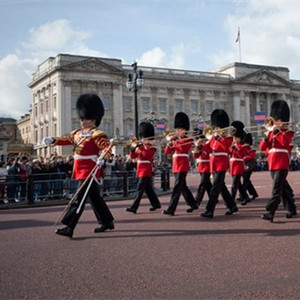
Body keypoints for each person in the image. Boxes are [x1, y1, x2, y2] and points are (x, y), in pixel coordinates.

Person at [44, 93, 114, 238]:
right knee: (95, 198)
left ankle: (69, 227)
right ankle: (107, 222)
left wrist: (103, 159)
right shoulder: (77, 133)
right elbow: (66, 139)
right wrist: (53, 140)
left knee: (79, 199)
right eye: (81, 118)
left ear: (93, 119)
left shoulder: (98, 134)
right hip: (79, 169)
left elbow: (107, 149)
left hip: (90, 170)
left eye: (85, 118)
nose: (82, 121)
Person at [259, 100, 297, 222]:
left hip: (282, 163)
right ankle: (291, 209)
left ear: (282, 120)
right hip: (272, 163)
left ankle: (270, 211)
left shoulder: (288, 132)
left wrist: (277, 132)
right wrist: (265, 137)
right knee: (283, 188)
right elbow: (262, 148)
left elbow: (284, 143)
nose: (275, 122)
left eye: (277, 120)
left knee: (276, 189)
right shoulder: (271, 133)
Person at [201, 109, 238, 219]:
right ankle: (232, 206)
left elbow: (225, 148)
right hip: (214, 163)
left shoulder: (228, 137)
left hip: (222, 163)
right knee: (221, 187)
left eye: (217, 127)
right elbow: (207, 149)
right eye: (215, 127)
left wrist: (219, 138)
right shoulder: (213, 137)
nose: (216, 129)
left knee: (215, 187)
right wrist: (199, 146)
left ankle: (209, 210)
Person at [163, 112, 198, 215]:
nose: (177, 131)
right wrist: (169, 143)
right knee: (183, 187)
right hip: (176, 165)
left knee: (177, 187)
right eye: (177, 129)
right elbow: (166, 152)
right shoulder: (175, 140)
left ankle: (171, 209)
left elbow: (183, 148)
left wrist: (175, 140)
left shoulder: (188, 139)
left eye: (179, 129)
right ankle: (193, 204)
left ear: (184, 130)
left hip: (182, 165)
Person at [125, 122, 161, 213]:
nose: (142, 139)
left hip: (146, 170)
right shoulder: (140, 147)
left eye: (144, 137)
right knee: (148, 189)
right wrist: (133, 149)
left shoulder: (151, 147)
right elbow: (133, 157)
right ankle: (156, 204)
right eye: (142, 137)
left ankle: (134, 207)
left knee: (139, 189)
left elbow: (146, 155)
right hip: (140, 169)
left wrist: (140, 147)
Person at [229, 121, 249, 204]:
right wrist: (231, 147)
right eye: (234, 137)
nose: (234, 139)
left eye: (236, 137)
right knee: (239, 184)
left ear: (239, 138)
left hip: (238, 166)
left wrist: (236, 147)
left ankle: (231, 201)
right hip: (232, 166)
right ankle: (245, 197)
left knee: (234, 185)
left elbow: (241, 154)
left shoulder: (243, 146)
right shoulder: (232, 146)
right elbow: (229, 153)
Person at [192, 129, 212, 206]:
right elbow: (195, 156)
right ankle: (213, 198)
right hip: (201, 166)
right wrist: (197, 147)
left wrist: (201, 149)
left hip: (206, 166)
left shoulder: (207, 144)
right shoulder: (199, 145)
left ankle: (197, 200)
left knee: (202, 184)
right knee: (207, 184)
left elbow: (207, 154)